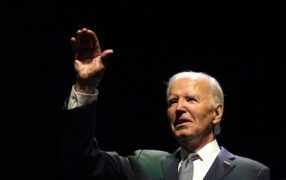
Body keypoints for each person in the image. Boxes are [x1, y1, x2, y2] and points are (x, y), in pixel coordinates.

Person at [61, 28, 270, 180]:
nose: (179, 108)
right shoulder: (146, 165)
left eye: (191, 99)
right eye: (173, 101)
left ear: (217, 113)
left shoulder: (250, 173)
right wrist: (85, 87)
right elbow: (82, 160)